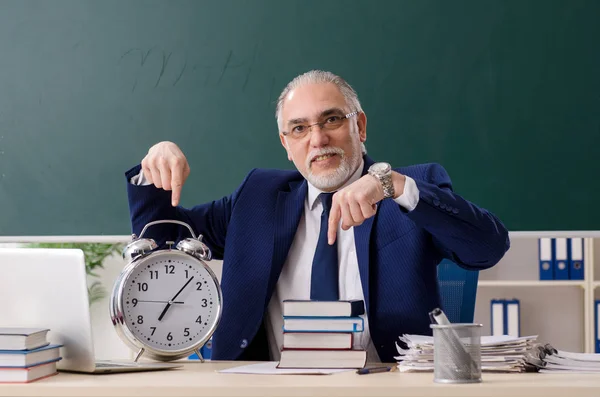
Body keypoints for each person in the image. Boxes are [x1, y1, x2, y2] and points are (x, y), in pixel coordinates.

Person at [125, 70, 509, 363]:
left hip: (384, 387)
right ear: (286, 145)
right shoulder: (258, 197)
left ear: (359, 126)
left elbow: (487, 248)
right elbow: (161, 245)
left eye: (331, 120)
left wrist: (394, 186)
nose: (318, 139)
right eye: (299, 128)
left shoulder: (411, 187)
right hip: (266, 387)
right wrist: (154, 167)